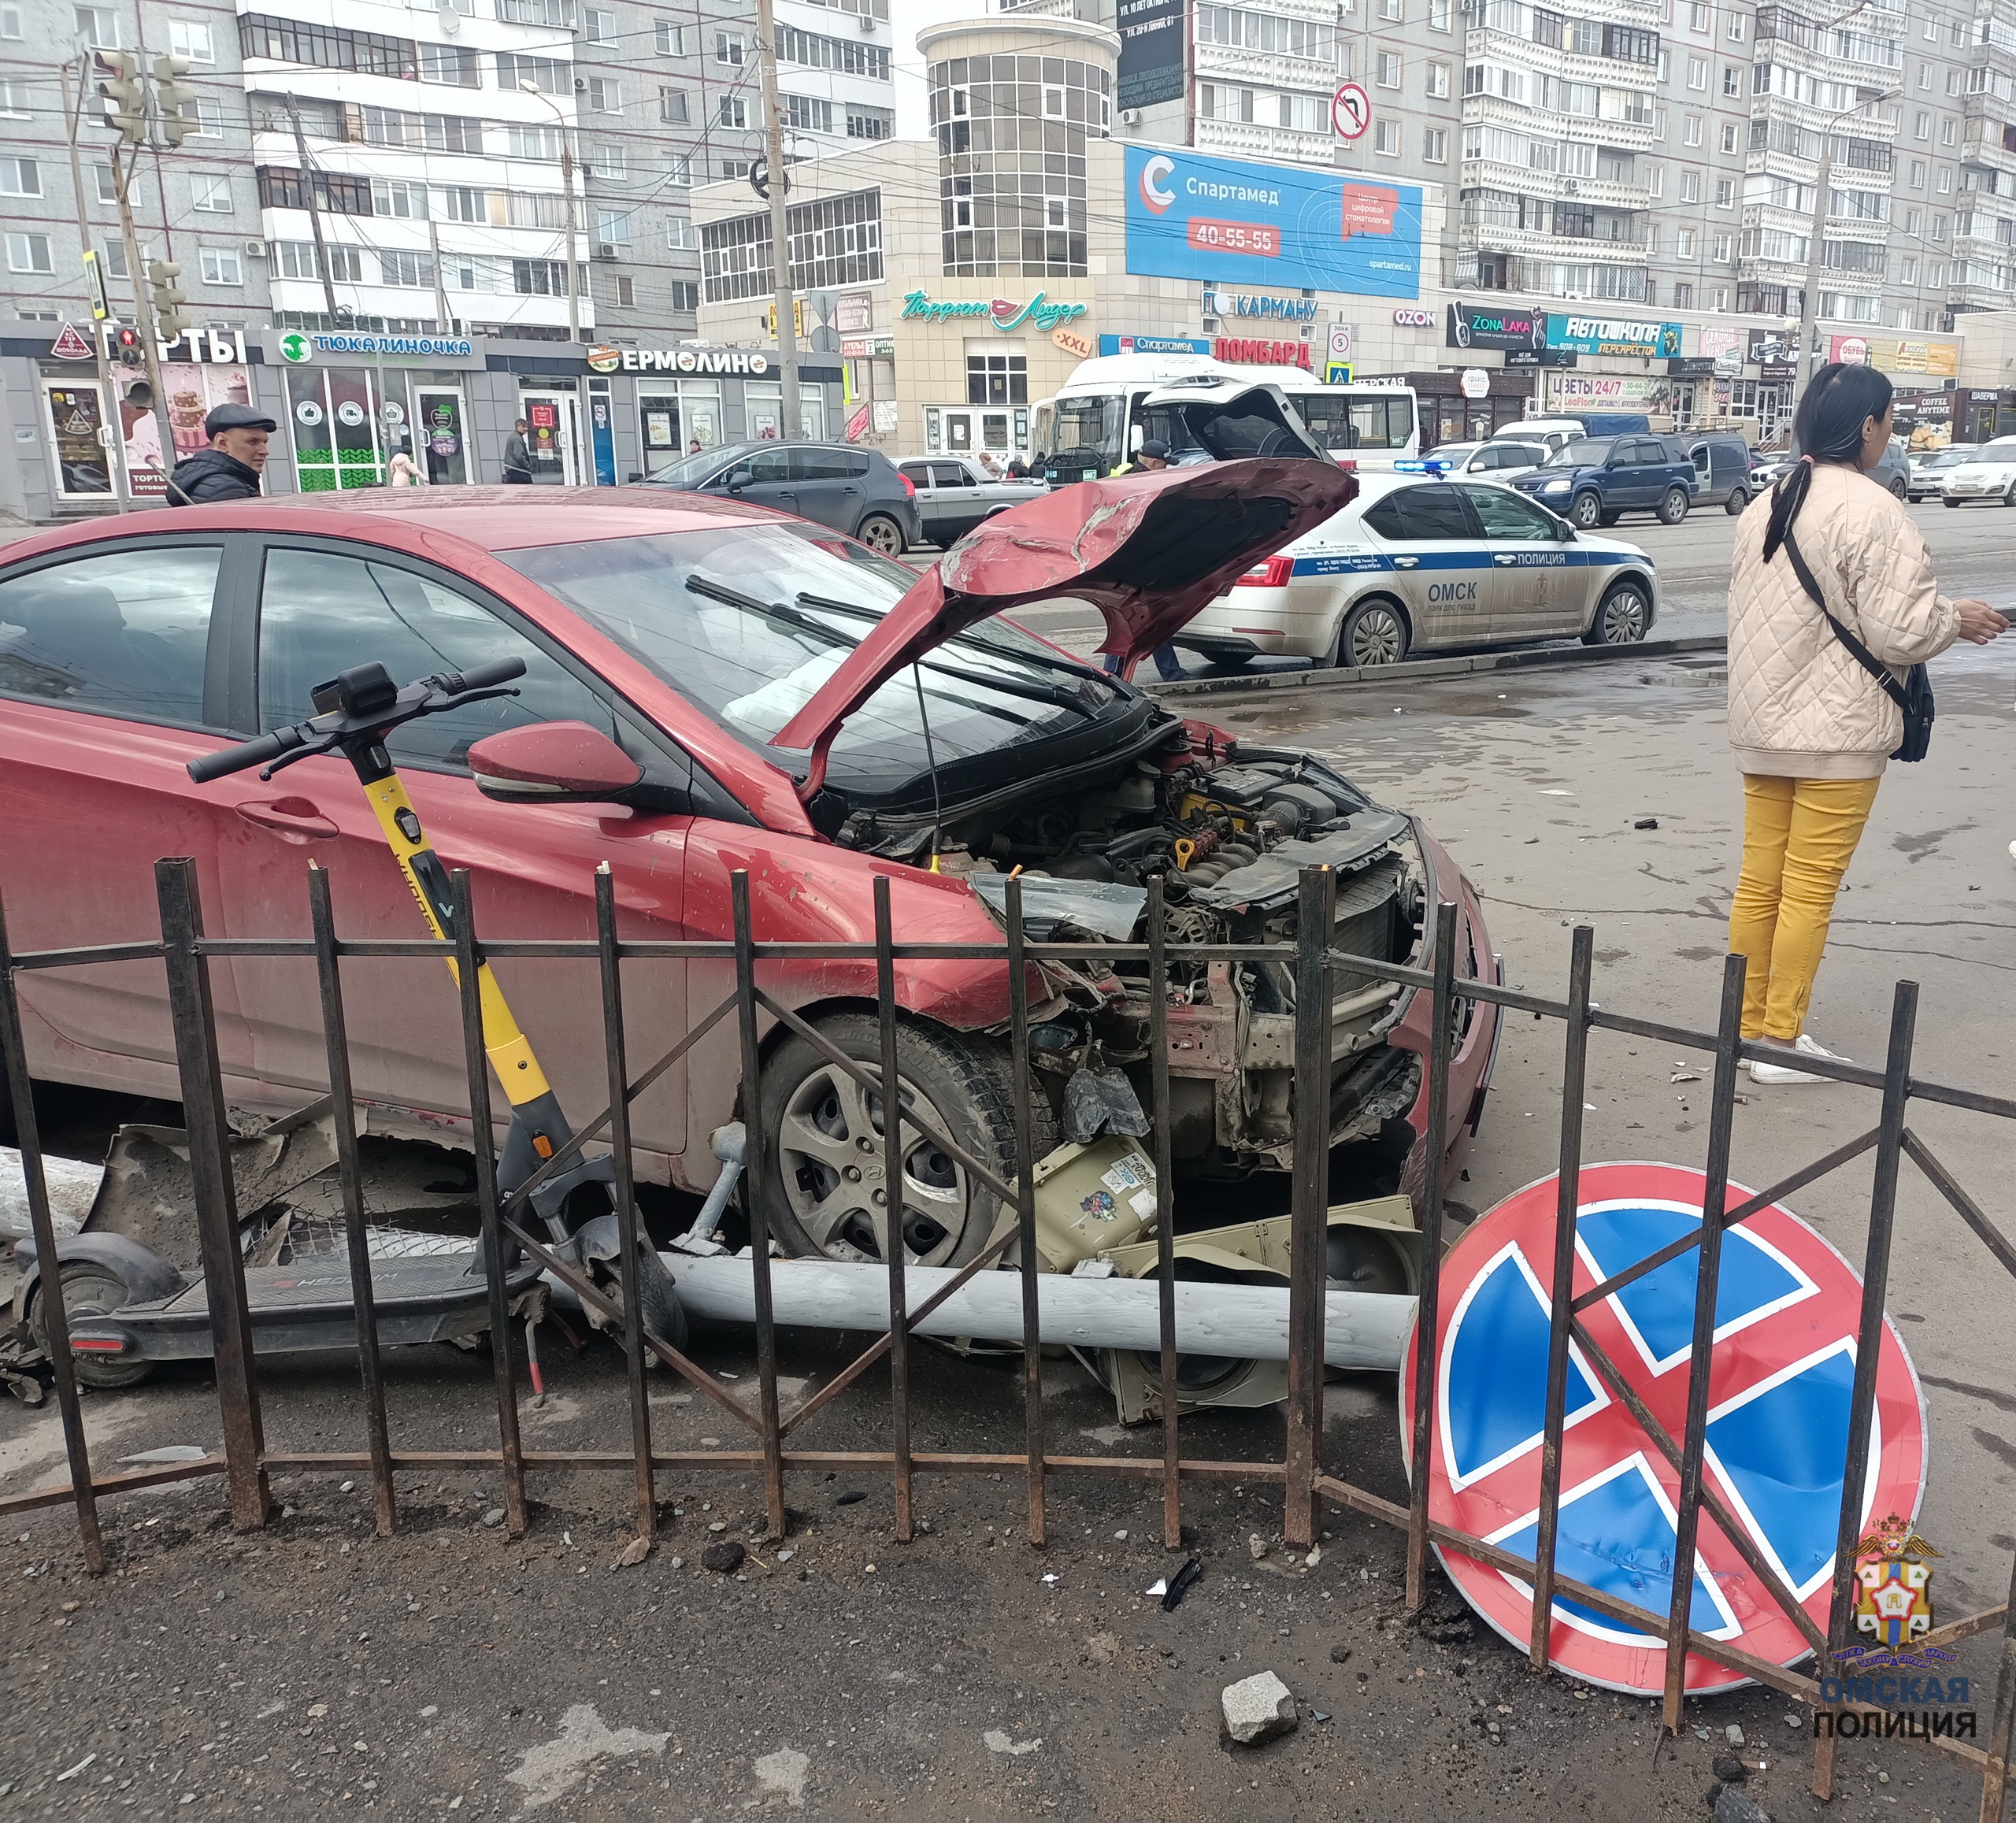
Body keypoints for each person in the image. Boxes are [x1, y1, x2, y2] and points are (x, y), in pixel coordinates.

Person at [1727, 362, 2006, 1083]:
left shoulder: (1767, 502)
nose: (1891, 433)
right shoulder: (1875, 509)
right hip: (1837, 734)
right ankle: (1779, 1044)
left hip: (1763, 728)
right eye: (1888, 420)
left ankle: (1744, 1026)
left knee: (1760, 883)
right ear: (1868, 427)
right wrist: (1957, 618)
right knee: (1810, 886)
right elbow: (1901, 634)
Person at [1103, 443, 1182, 680]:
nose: (1166, 468)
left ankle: (1171, 674)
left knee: (1151, 620)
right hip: (1134, 567)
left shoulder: (1126, 477)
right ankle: (1110, 676)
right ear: (1154, 463)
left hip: (1131, 564)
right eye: (1164, 463)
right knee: (1136, 621)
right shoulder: (1143, 485)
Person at [166, 402, 275, 505]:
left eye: (265, 442)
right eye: (252, 442)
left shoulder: (210, 480)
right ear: (222, 443)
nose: (265, 451)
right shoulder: (227, 489)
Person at [502, 419, 534, 485]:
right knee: (528, 489)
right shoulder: (517, 439)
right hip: (518, 469)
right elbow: (519, 455)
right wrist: (527, 465)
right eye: (524, 426)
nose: (526, 429)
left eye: (527, 427)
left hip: (512, 468)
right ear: (518, 426)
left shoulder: (513, 436)